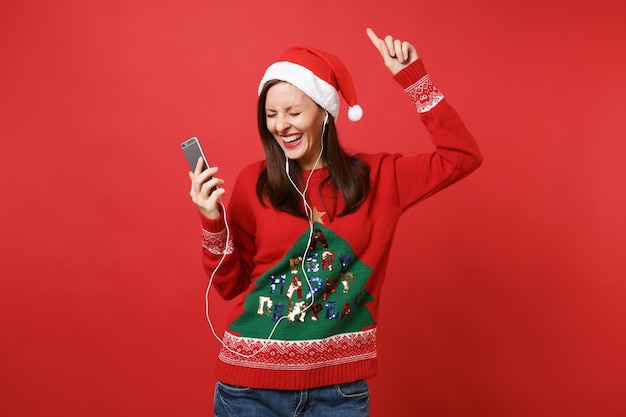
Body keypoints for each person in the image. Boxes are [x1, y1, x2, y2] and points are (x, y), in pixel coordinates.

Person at [188, 27, 482, 417]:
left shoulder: (378, 178)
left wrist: (415, 80)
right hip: (248, 389)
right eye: (271, 115)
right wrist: (212, 222)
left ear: (324, 112)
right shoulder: (252, 182)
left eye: (294, 112)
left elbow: (461, 156)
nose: (281, 125)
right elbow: (229, 285)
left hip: (338, 394)